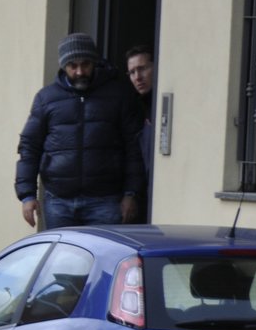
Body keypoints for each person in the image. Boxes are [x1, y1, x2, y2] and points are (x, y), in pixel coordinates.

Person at [15, 32, 145, 229]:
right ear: (64, 66)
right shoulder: (46, 99)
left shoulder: (118, 96)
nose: (79, 71)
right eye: (72, 66)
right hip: (59, 202)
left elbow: (133, 147)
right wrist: (27, 195)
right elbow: (29, 146)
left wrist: (131, 193)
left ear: (94, 63)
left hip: (106, 200)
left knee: (106, 257)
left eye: (85, 64)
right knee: (63, 260)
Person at [126, 44, 156, 220]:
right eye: (132, 72)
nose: (138, 77)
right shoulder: (134, 108)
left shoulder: (161, 103)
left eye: (142, 69)